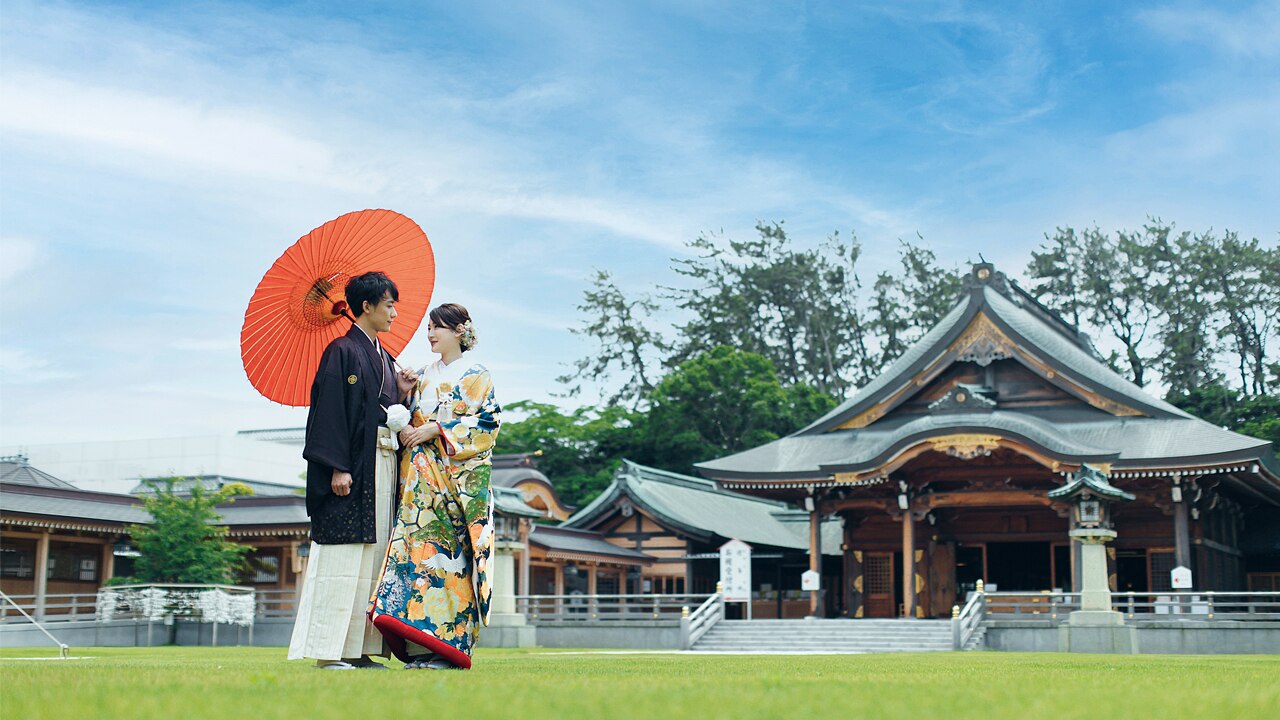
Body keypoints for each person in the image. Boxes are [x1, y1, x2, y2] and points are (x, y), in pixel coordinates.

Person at [287, 271, 417, 670]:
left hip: (381, 465)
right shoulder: (341, 351)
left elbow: (382, 409)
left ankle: (359, 651)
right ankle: (330, 652)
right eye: (389, 304)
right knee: (343, 558)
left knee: (372, 558)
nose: (395, 312)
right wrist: (337, 467)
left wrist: (403, 391)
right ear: (367, 306)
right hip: (351, 470)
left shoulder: (383, 356)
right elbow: (329, 413)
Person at [369, 303, 501, 670]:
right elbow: (407, 417)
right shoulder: (422, 374)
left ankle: (448, 648)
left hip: (453, 484)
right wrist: (404, 400)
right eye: (429, 327)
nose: (430, 334)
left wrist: (438, 430)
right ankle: (416, 649)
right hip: (418, 483)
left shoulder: (477, 375)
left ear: (460, 331)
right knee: (415, 557)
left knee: (451, 560)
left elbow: (488, 424)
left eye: (438, 327)